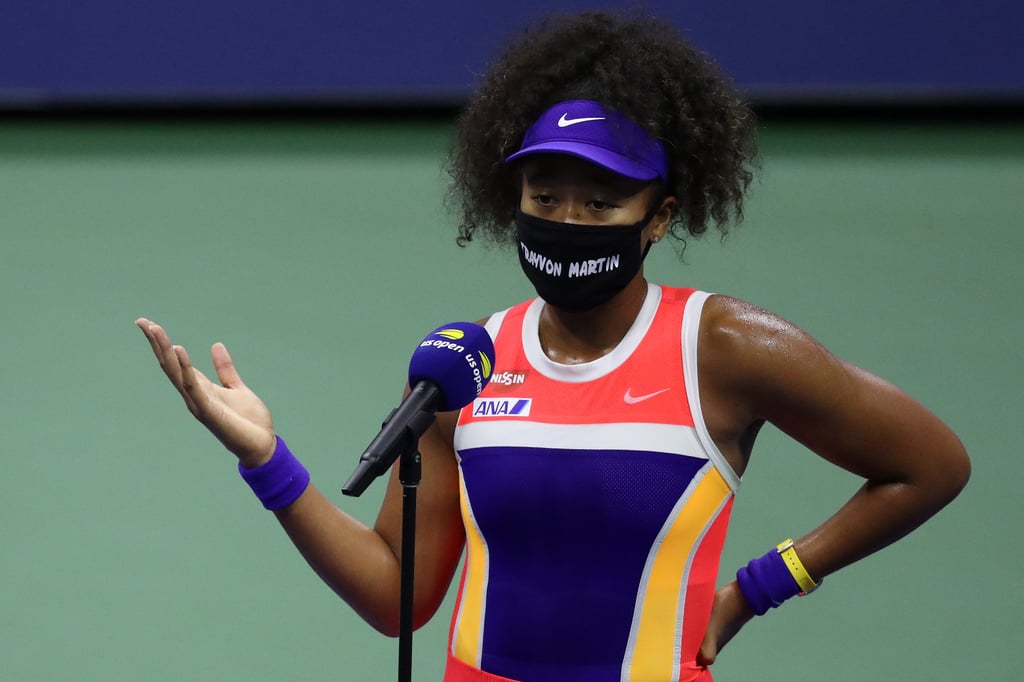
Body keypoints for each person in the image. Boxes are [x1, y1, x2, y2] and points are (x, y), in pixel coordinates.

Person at [135, 10, 970, 682]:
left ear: (662, 216)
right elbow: (396, 595)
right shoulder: (464, 362)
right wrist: (266, 460)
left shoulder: (722, 348)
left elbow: (928, 465)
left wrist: (759, 588)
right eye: (547, 195)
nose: (567, 222)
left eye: (601, 202)